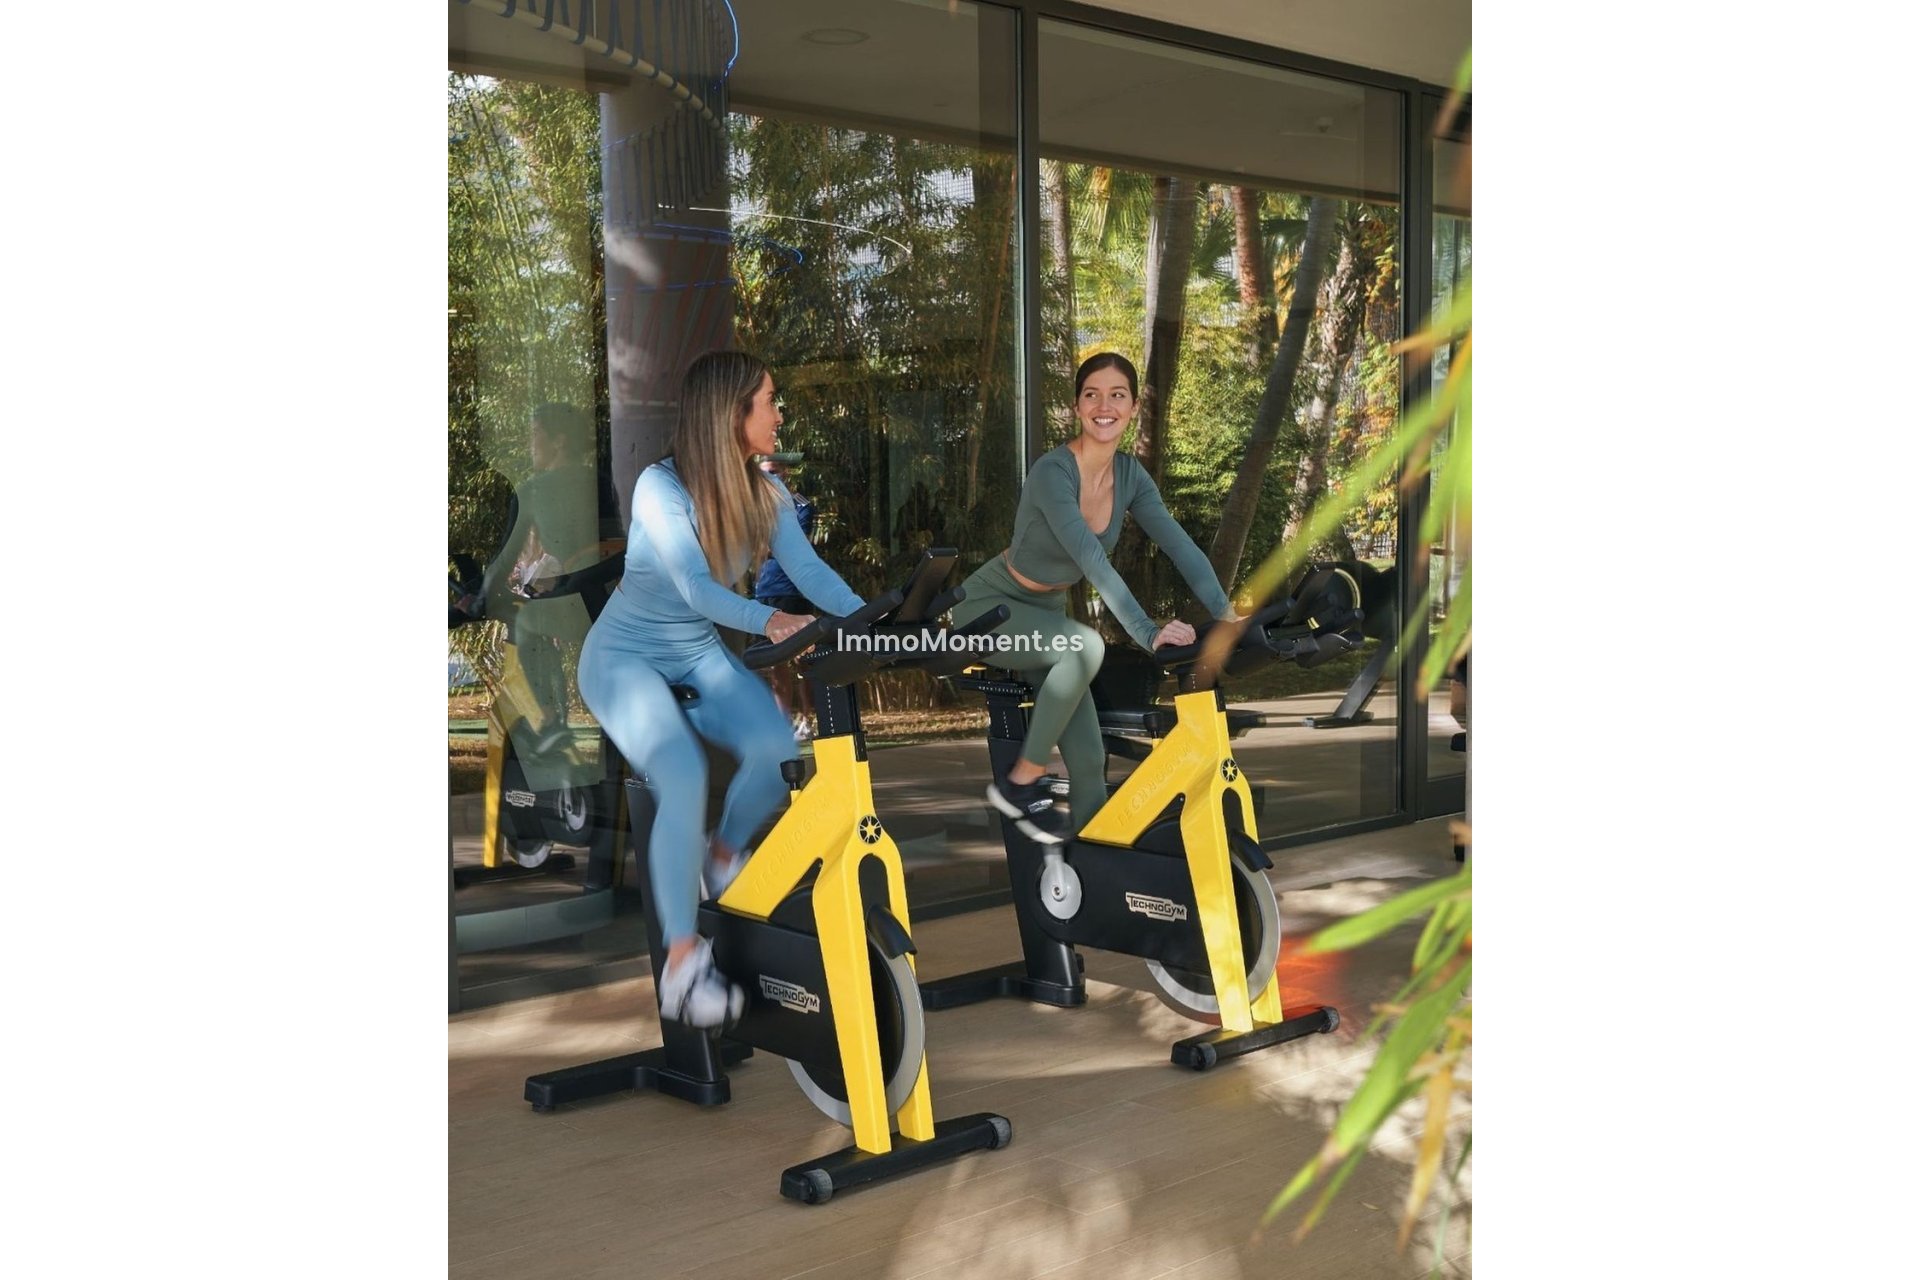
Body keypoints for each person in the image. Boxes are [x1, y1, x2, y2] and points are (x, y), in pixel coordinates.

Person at [577, 350, 866, 1029]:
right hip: (624, 657)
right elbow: (694, 588)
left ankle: (721, 856)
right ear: (732, 413)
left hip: (697, 654)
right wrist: (770, 618)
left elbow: (811, 573)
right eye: (770, 401)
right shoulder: (661, 488)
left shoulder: (764, 493)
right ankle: (682, 968)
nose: (780, 414)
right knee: (681, 771)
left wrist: (872, 623)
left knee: (777, 752)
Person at [951, 351, 1239, 842]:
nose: (1105, 406)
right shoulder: (1052, 473)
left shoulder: (1130, 477)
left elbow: (1180, 547)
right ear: (1077, 407)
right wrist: (1149, 633)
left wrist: (1228, 616)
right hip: (988, 610)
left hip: (1045, 616)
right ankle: (1020, 782)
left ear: (1133, 408)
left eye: (1117, 395)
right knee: (1085, 646)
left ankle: (1091, 868)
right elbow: (1093, 562)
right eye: (1092, 395)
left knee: (1088, 759)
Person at [480, 402, 612, 756]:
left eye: (536, 435)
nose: (531, 445)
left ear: (560, 440)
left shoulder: (534, 491)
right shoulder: (599, 482)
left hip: (579, 601)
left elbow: (504, 560)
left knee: (527, 623)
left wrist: (479, 599)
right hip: (608, 599)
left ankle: (552, 721)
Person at [750, 455, 817, 741]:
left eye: (773, 472)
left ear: (785, 473)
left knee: (803, 658)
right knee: (775, 661)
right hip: (764, 592)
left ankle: (809, 720)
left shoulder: (801, 505)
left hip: (793, 591)